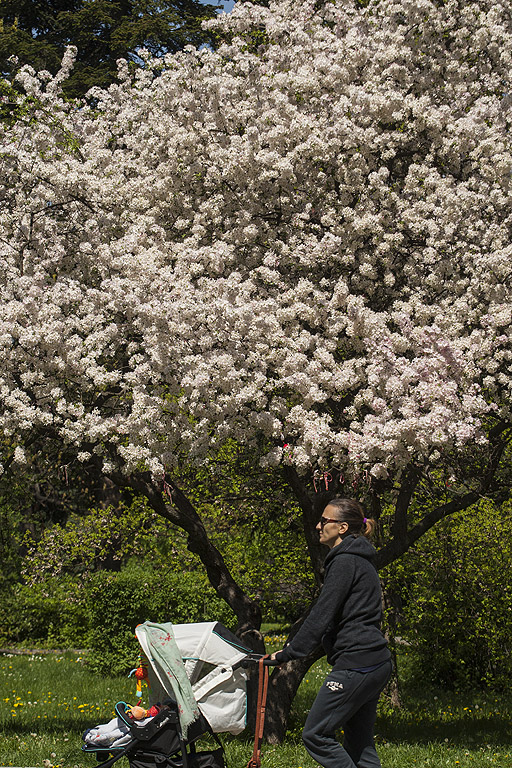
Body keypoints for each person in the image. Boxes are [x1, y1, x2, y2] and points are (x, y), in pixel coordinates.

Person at [270, 497, 391, 768]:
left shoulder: (346, 561)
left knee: (316, 734)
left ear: (343, 528)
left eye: (325, 521)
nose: (318, 525)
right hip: (375, 662)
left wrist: (289, 652)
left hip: (357, 664)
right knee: (360, 746)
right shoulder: (358, 559)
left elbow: (322, 614)